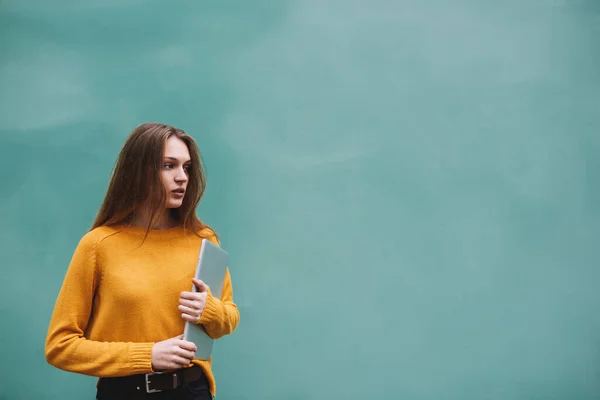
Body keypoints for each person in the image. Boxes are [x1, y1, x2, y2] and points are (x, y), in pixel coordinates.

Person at [45, 122, 240, 399]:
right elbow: (60, 347)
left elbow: (229, 318)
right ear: (139, 171)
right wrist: (148, 355)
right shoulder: (98, 245)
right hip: (125, 393)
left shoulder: (203, 239)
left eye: (186, 167)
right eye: (169, 165)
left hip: (193, 391)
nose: (182, 177)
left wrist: (210, 310)